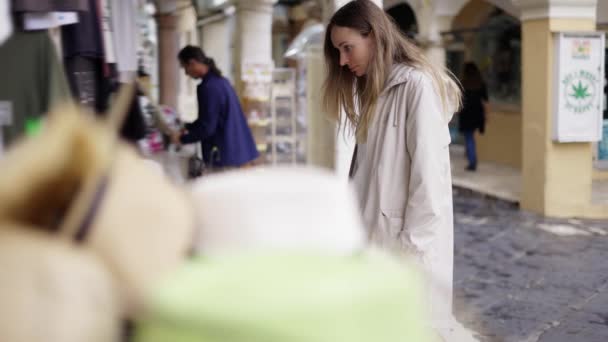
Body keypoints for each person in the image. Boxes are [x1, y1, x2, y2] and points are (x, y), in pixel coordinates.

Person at [322, 1, 473, 340]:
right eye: (338, 52)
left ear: (374, 36)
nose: (343, 61)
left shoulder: (416, 88)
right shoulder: (373, 91)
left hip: (403, 260)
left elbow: (429, 188)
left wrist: (405, 258)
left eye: (348, 48)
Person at [175, 45, 259, 170]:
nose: (186, 73)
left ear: (192, 63)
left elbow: (208, 127)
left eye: (185, 68)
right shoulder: (221, 81)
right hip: (238, 151)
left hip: (224, 155)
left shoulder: (208, 87)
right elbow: (209, 118)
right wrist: (188, 127)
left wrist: (182, 139)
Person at [458, 62, 489, 171]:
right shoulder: (481, 83)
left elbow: (459, 100)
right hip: (477, 113)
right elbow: (485, 101)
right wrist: (486, 116)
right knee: (471, 137)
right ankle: (471, 157)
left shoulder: (463, 83)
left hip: (466, 113)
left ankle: (472, 161)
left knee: (469, 137)